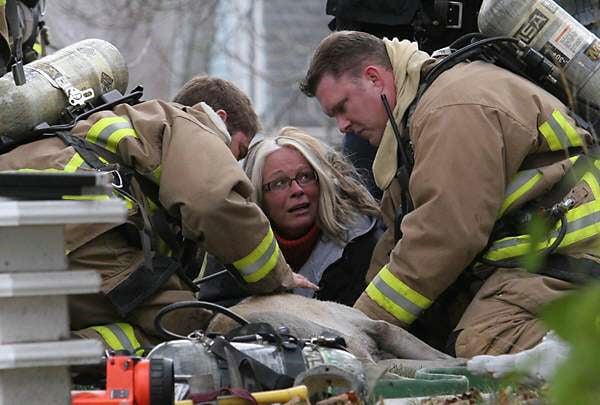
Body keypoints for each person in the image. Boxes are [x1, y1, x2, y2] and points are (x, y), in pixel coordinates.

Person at [299, 30, 599, 358]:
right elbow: (400, 242)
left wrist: (359, 332)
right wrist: (350, 323)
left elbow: (444, 234)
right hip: (541, 256)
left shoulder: (450, 108)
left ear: (374, 79)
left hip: (576, 252)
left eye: (343, 107)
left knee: (484, 341)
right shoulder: (417, 121)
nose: (342, 126)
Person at [0, 75, 314, 353]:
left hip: (30, 232)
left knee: (91, 328)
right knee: (183, 330)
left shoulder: (134, 125)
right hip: (76, 221)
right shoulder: (189, 124)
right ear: (220, 119)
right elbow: (212, 201)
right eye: (240, 152)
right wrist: (277, 279)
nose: (237, 167)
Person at [199, 127, 383, 307]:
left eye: (305, 177)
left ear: (321, 183)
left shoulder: (361, 243)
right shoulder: (234, 247)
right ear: (258, 197)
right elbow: (217, 315)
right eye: (279, 183)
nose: (297, 190)